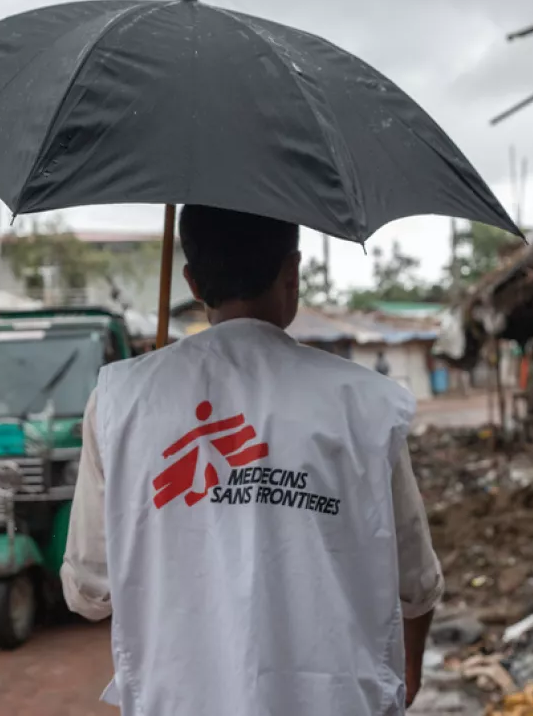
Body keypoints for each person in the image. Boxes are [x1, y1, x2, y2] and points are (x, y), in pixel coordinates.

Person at [63, 205, 444, 716]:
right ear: (293, 272)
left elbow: (90, 591)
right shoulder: (366, 402)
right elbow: (416, 586)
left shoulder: (120, 399)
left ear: (193, 282)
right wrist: (406, 678)